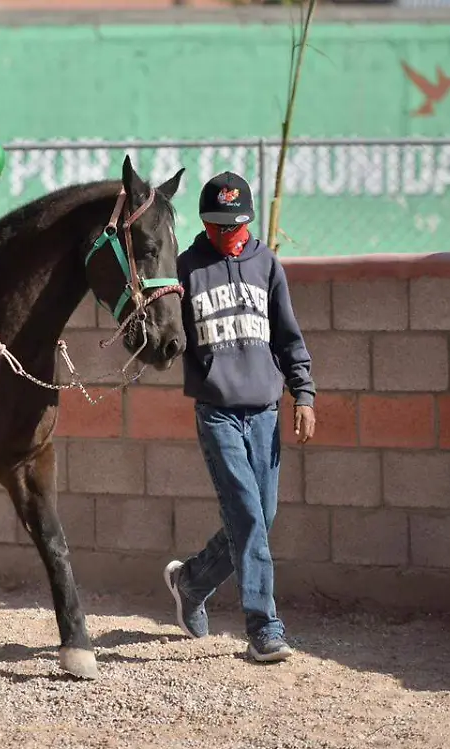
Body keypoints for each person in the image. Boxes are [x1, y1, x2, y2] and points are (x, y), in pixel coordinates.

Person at [161, 171, 317, 663]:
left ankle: (191, 582)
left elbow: (288, 337)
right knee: (248, 515)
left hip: (266, 411)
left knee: (258, 519)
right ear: (205, 223)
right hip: (218, 414)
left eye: (234, 227)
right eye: (216, 226)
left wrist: (304, 395)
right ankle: (263, 628)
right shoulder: (186, 269)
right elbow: (168, 333)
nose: (226, 235)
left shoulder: (267, 263)